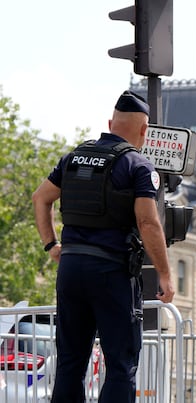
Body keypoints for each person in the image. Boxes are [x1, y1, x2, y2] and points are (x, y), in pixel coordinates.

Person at [32, 90, 175, 402]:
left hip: (70, 270)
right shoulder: (138, 166)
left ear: (110, 123)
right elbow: (148, 223)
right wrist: (164, 274)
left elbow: (40, 198)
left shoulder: (73, 157)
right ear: (144, 131)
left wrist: (51, 245)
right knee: (121, 364)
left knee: (71, 362)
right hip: (111, 272)